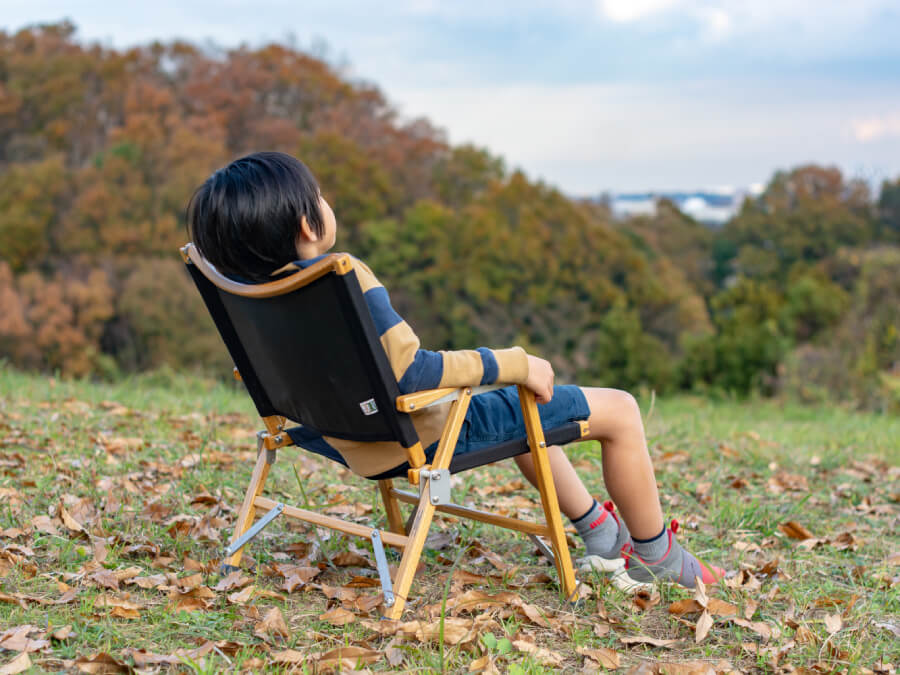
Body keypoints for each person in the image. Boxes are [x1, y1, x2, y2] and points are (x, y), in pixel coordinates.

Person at [187, 151, 723, 591]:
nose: (326, 203)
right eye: (319, 197)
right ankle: (656, 554)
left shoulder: (253, 295)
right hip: (419, 437)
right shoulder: (339, 281)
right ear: (309, 222)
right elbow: (415, 377)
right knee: (622, 409)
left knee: (528, 418)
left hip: (337, 436)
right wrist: (513, 362)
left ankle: (600, 533)